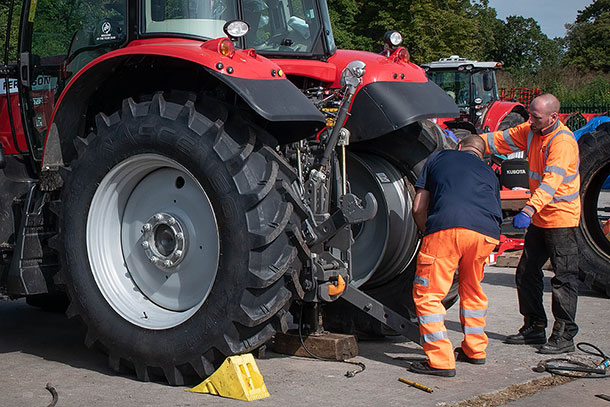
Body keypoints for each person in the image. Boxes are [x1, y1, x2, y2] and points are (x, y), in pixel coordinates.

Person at [479, 94, 580, 354]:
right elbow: (501, 140)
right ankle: (534, 326)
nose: (530, 120)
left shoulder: (562, 142)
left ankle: (564, 335)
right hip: (540, 216)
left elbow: (550, 183)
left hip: (561, 218)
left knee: (563, 279)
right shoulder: (533, 130)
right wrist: (471, 142)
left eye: (535, 116)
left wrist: (528, 209)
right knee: (526, 272)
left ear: (553, 117)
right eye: (530, 115)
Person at [409, 135, 502, 377]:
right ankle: (475, 349)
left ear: (459, 146)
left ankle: (440, 360)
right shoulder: (490, 172)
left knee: (428, 295)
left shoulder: (440, 157)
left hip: (447, 227)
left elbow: (419, 206)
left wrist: (426, 232)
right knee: (472, 289)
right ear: (482, 154)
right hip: (486, 235)